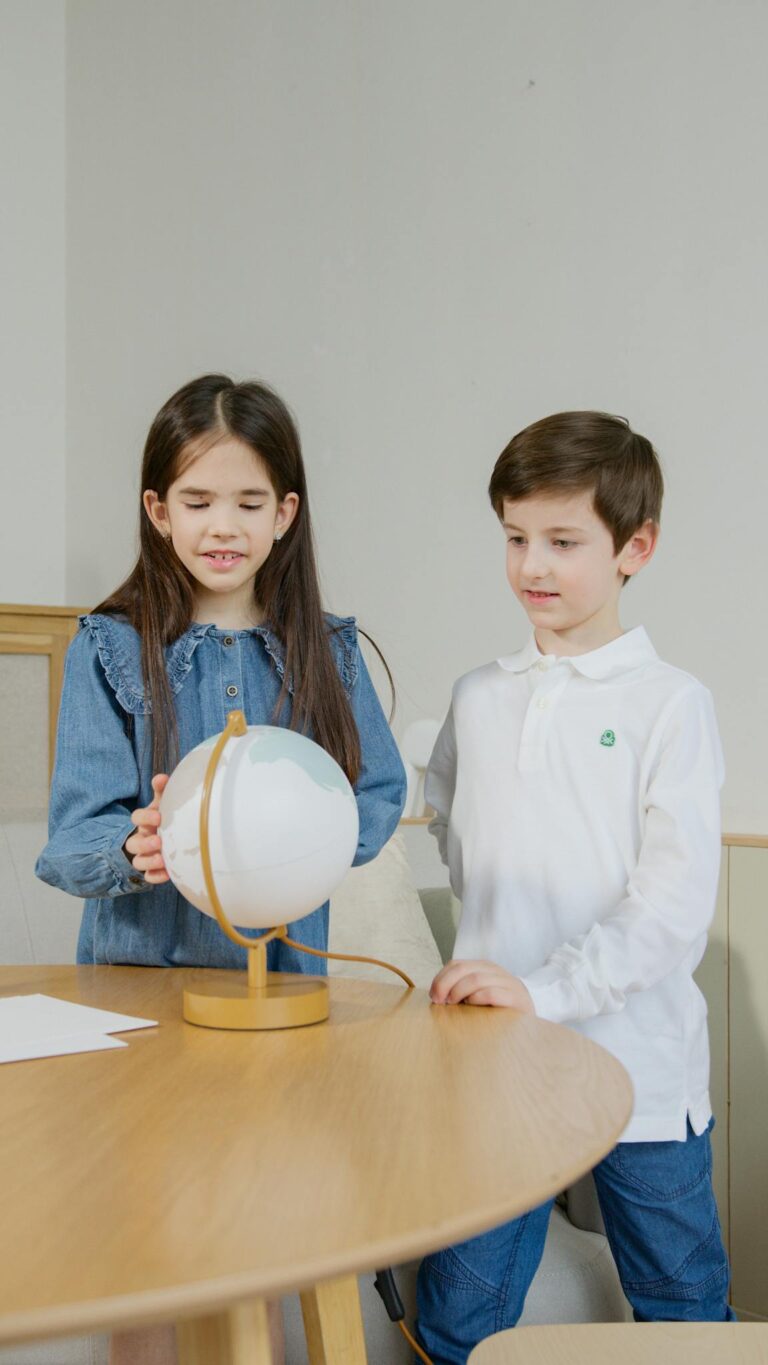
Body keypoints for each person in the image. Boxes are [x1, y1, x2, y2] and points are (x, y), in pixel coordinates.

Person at [36, 373, 407, 1365]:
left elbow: (378, 794)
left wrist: (307, 834)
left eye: (249, 502)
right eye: (197, 502)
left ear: (287, 514)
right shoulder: (110, 651)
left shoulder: (326, 650)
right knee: (149, 1255)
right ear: (156, 511)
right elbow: (69, 841)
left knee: (278, 1234)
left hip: (281, 1004)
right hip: (140, 1006)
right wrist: (136, 846)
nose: (223, 526)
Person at [415, 411, 732, 1364]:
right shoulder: (478, 695)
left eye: (562, 541)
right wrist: (498, 969)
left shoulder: (671, 704)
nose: (531, 566)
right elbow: (453, 828)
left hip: (640, 1068)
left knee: (683, 1305)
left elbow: (671, 912)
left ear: (636, 546)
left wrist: (545, 985)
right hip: (500, 1069)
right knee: (457, 1313)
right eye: (515, 537)